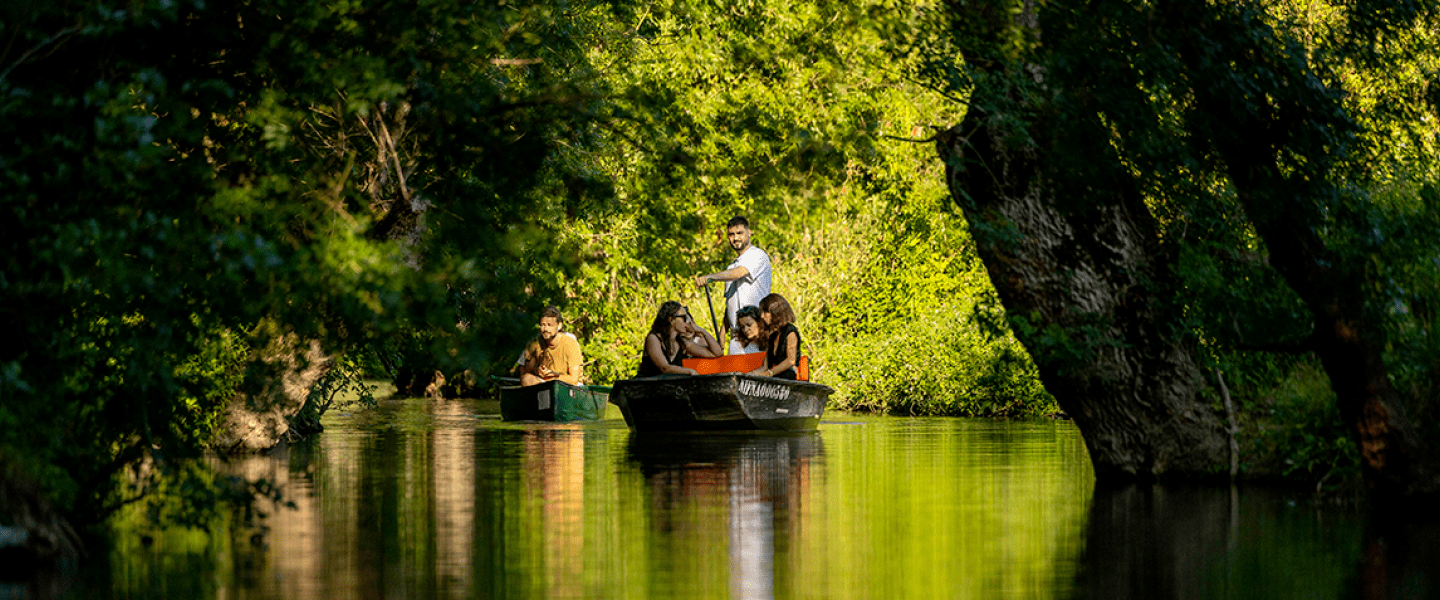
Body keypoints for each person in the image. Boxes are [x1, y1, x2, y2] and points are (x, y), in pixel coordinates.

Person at [694, 216, 771, 335]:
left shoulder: (758, 255)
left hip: (756, 332)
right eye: (731, 234)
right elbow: (730, 304)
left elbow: (739, 273)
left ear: (749, 232)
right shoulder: (731, 267)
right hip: (736, 335)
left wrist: (709, 278)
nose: (735, 238)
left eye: (739, 233)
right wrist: (722, 334)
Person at [636, 301, 724, 377]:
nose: (687, 321)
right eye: (684, 317)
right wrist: (690, 371)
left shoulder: (682, 343)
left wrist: (702, 331)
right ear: (671, 319)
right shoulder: (653, 338)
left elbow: (716, 353)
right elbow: (664, 367)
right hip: (645, 388)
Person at [519, 306, 584, 386]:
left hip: (569, 386)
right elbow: (526, 369)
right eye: (543, 325)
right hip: (545, 384)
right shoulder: (535, 342)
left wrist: (552, 376)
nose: (545, 329)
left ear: (559, 326)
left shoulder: (570, 343)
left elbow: (573, 379)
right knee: (527, 378)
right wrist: (538, 371)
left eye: (549, 325)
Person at [749, 293, 801, 380]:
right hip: (775, 378)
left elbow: (791, 361)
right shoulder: (772, 335)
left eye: (765, 312)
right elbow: (764, 367)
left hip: (788, 378)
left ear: (775, 312)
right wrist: (749, 374)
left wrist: (770, 373)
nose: (762, 316)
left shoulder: (790, 331)